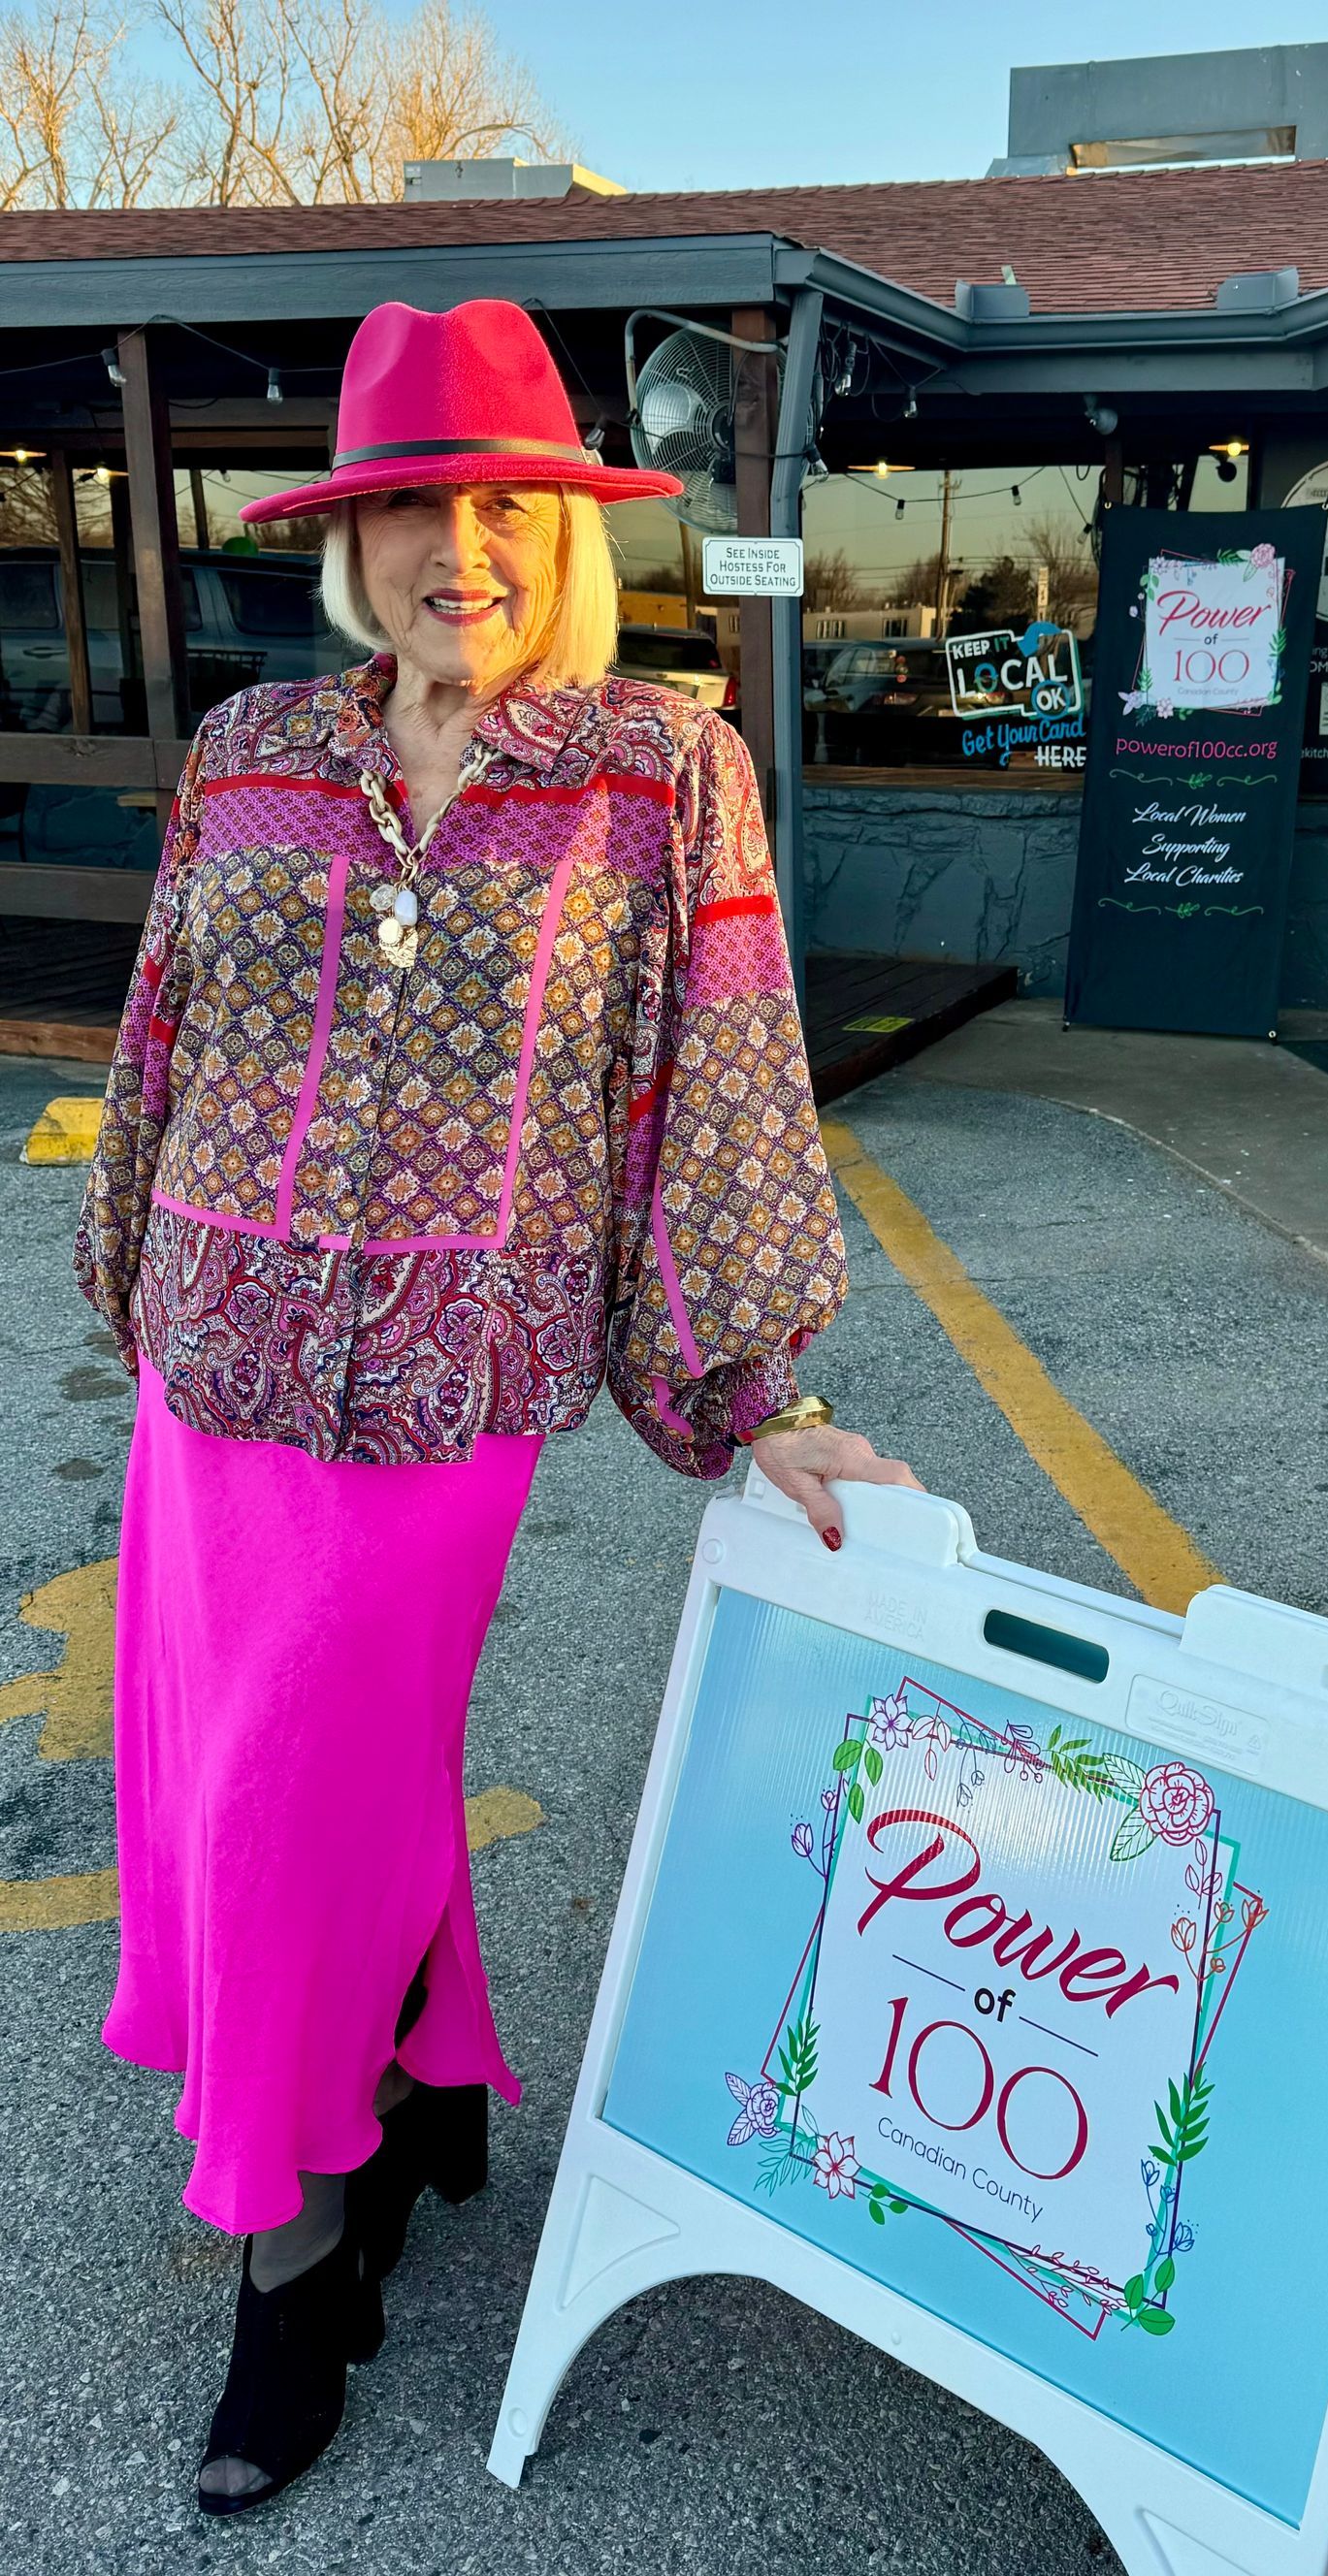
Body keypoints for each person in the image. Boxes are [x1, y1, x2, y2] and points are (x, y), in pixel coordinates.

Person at [72, 297, 918, 2517]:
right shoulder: (250, 747)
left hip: (444, 1404)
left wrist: (757, 1391)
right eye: (417, 506)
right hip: (220, 1371)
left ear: (567, 528)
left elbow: (715, 1084)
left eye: (506, 504)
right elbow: (161, 1031)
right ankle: (430, 2089)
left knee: (275, 1798)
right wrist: (130, 1274)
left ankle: (292, 2256)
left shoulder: (661, 770)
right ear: (358, 540)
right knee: (273, 1779)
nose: (463, 544)